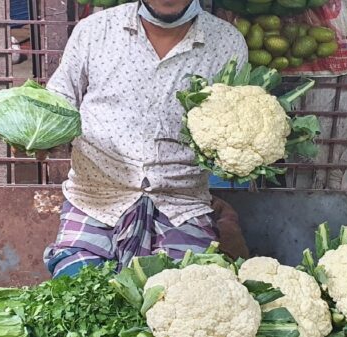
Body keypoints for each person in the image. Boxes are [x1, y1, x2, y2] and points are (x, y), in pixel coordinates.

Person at [43, 0, 248, 278]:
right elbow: (58, 102)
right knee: (78, 299)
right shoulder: (94, 31)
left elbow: (234, 124)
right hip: (94, 201)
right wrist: (38, 132)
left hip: (181, 206)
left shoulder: (227, 44)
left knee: (180, 307)